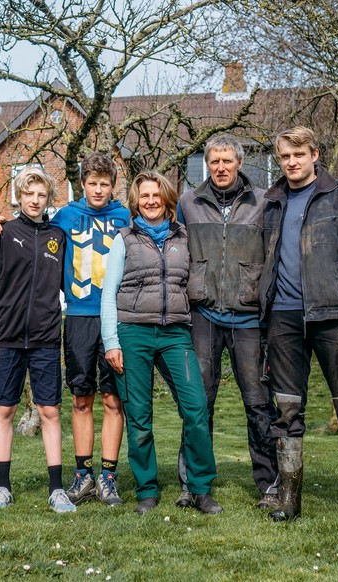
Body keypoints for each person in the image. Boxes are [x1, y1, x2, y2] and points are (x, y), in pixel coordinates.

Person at [257, 126, 338, 525]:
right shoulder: (272, 201)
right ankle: (287, 500)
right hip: (282, 318)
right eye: (285, 156)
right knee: (286, 411)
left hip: (335, 317)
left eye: (299, 154)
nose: (292, 162)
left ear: (315, 154)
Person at [0, 154, 130, 506]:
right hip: (78, 317)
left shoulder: (126, 218)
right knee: (82, 398)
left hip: (116, 316)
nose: (98, 189)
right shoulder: (64, 218)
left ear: (113, 187)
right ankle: (82, 475)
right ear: (82, 185)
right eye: (92, 183)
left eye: (104, 184)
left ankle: (108, 476)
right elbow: (31, 229)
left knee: (113, 398)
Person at [101, 170, 222, 515]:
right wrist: (111, 341)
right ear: (135, 203)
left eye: (156, 195)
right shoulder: (123, 239)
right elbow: (108, 294)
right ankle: (147, 490)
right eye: (144, 196)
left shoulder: (184, 237)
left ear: (167, 200)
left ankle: (200, 488)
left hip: (175, 334)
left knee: (196, 408)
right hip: (133, 332)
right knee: (139, 416)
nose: (150, 201)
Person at [177, 135, 279, 509]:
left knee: (258, 402)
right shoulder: (188, 202)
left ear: (239, 163)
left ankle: (269, 484)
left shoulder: (263, 202)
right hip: (202, 313)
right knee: (199, 402)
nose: (220, 167)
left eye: (227, 161)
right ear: (207, 164)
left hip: (248, 315)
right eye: (214, 161)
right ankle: (192, 483)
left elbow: (274, 253)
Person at [0, 166, 75, 513]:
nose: (35, 200)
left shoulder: (59, 237)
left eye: (42, 195)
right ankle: (2, 487)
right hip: (6, 337)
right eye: (29, 194)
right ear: (20, 196)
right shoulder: (3, 233)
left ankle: (57, 489)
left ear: (49, 198)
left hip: (47, 338)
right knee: (6, 409)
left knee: (50, 410)